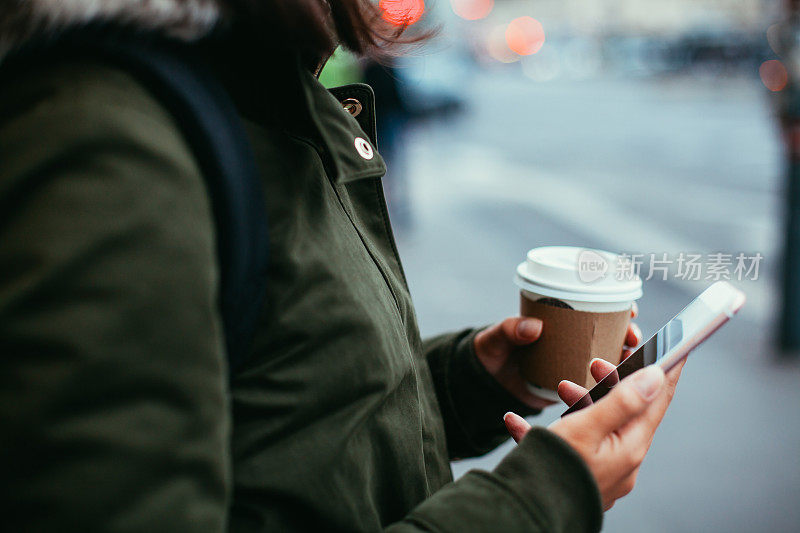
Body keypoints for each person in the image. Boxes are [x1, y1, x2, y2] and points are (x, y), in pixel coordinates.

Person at [0, 1, 684, 531]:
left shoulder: (263, 88)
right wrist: (544, 495)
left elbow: (294, 425)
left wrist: (467, 380)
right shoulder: (112, 137)